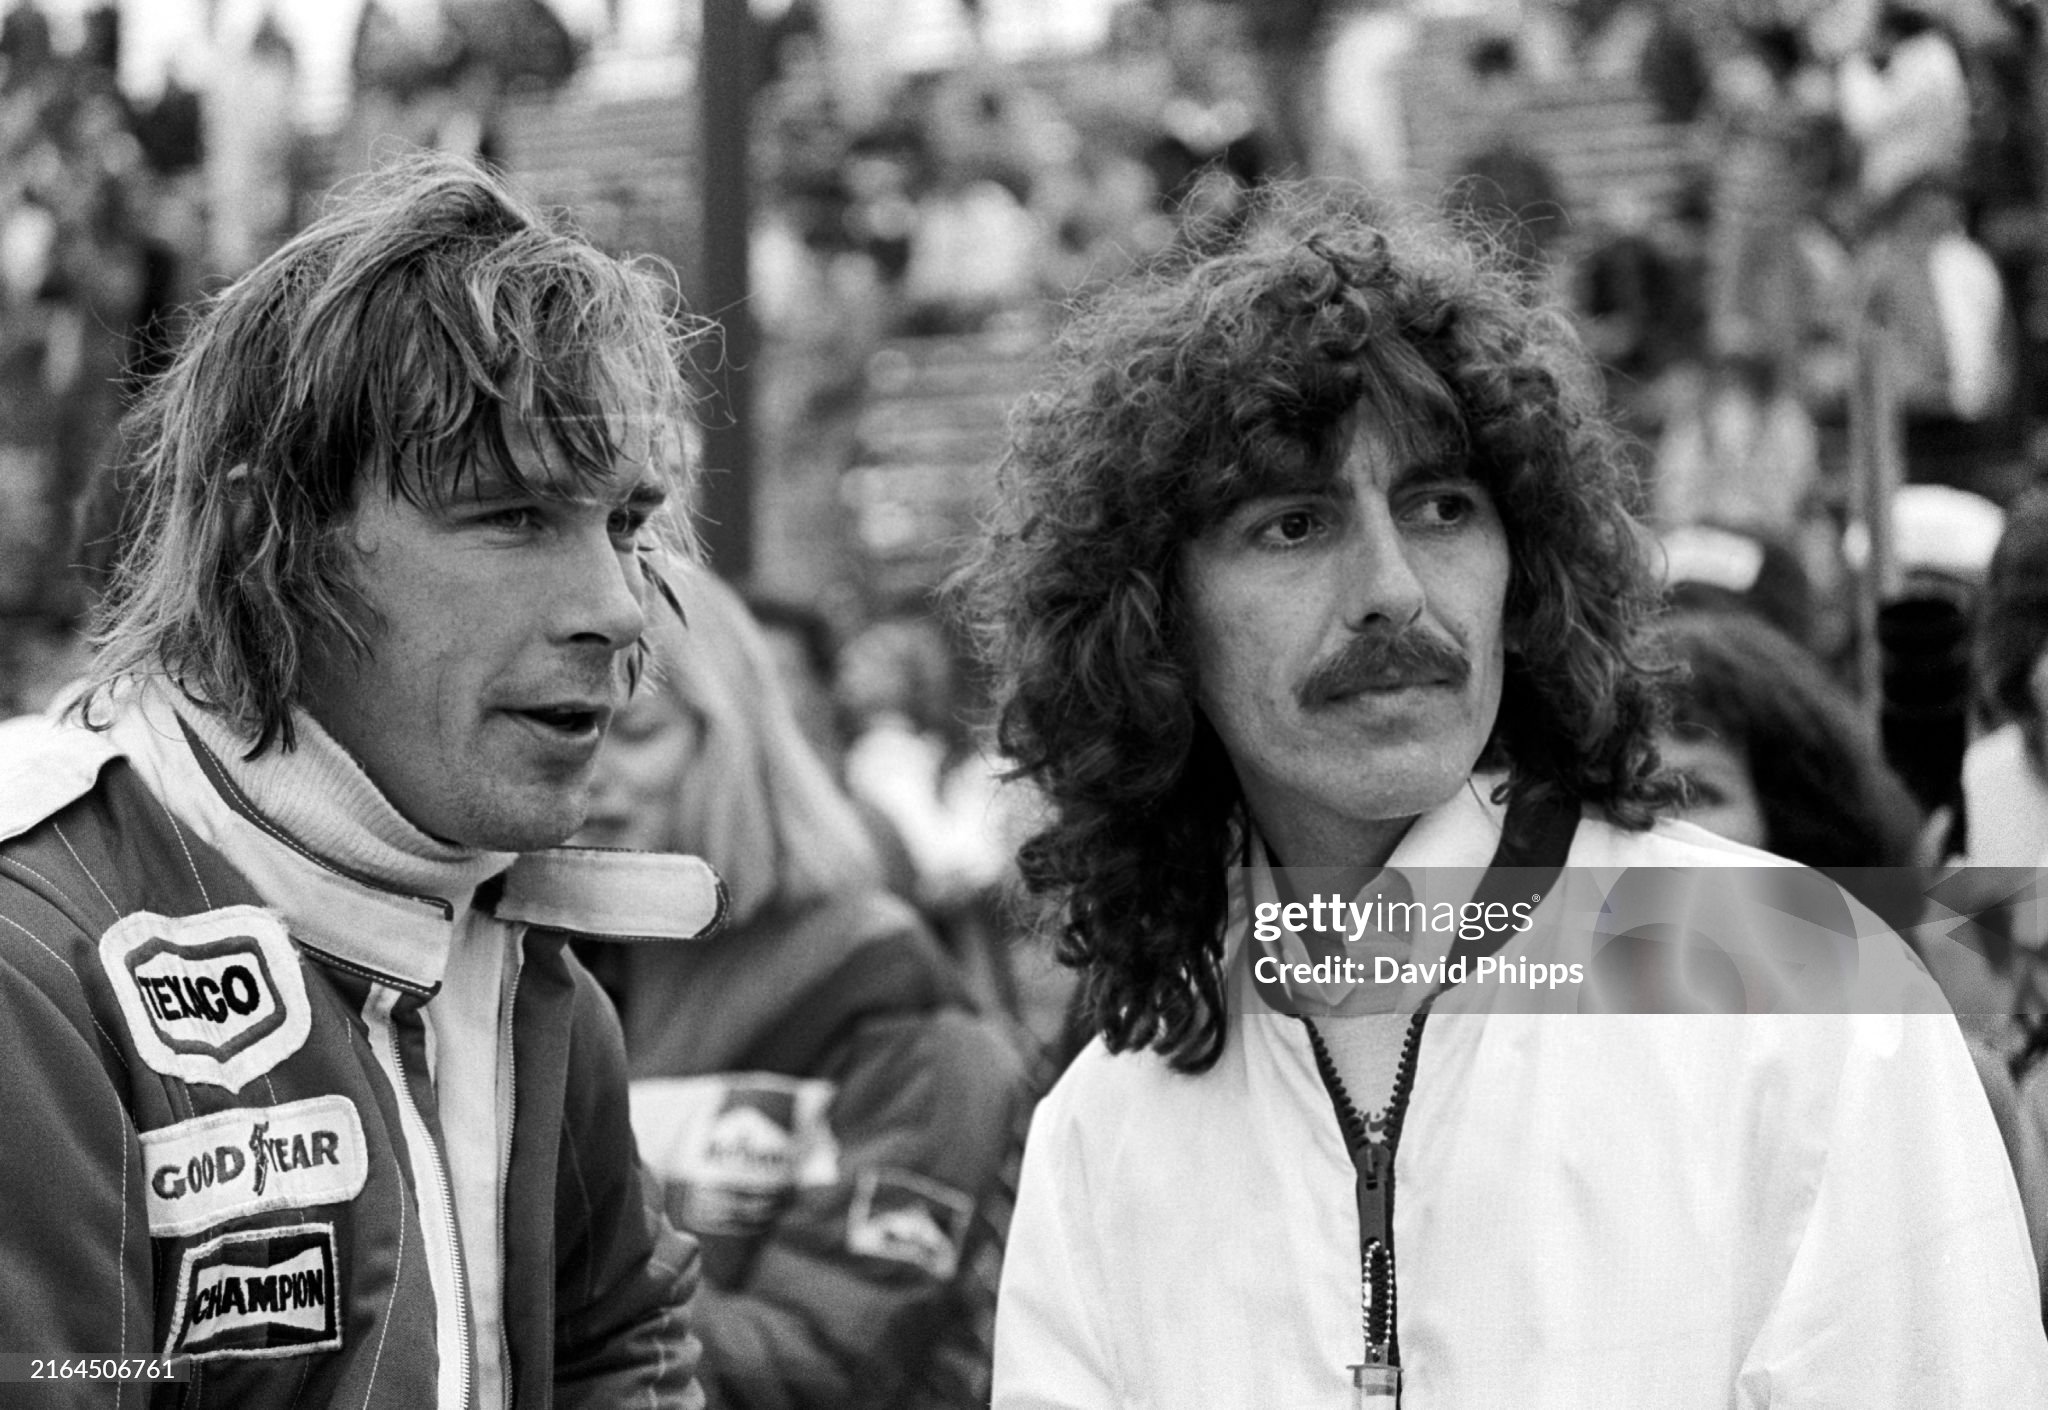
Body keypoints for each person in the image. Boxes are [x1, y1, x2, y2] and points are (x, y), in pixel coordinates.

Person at [961, 187, 2047, 1405]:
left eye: (1441, 509)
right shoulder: (1102, 1137)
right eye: (1292, 525)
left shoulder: (1801, 987)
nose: (1390, 590)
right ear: (1153, 626)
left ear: (1522, 568)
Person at [0, 155, 718, 1407]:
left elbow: (619, 1343)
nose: (617, 607)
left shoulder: (517, 947)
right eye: (512, 517)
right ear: (266, 545)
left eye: (623, 523)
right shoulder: (38, 953)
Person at [575, 568, 1028, 1410]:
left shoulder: (881, 990)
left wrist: (548, 1300)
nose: (588, 772)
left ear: (736, 738)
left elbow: (833, 1361)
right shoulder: (527, 971)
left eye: (634, 732)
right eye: (564, 727)